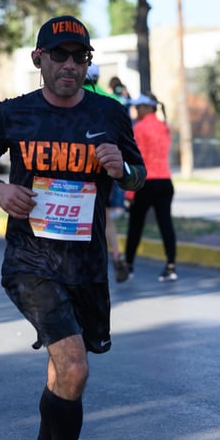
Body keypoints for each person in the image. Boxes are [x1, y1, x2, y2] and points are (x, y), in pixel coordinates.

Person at [0, 15, 146, 440]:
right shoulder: (13, 113)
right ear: (38, 59)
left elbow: (140, 176)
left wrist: (121, 168)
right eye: (59, 55)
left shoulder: (109, 114)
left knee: (62, 367)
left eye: (79, 56)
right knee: (75, 366)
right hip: (31, 260)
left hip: (84, 263)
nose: (69, 64)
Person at [121, 93, 178, 282]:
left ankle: (128, 265)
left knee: (136, 225)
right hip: (165, 181)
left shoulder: (139, 128)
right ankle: (171, 266)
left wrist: (129, 192)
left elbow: (137, 159)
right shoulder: (164, 127)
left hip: (146, 182)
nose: (136, 110)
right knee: (166, 224)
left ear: (148, 108)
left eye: (139, 107)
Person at [83, 64, 129, 282]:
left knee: (82, 213)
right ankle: (117, 255)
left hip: (78, 166)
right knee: (105, 213)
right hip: (106, 168)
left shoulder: (73, 98)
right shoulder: (111, 100)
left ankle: (88, 263)